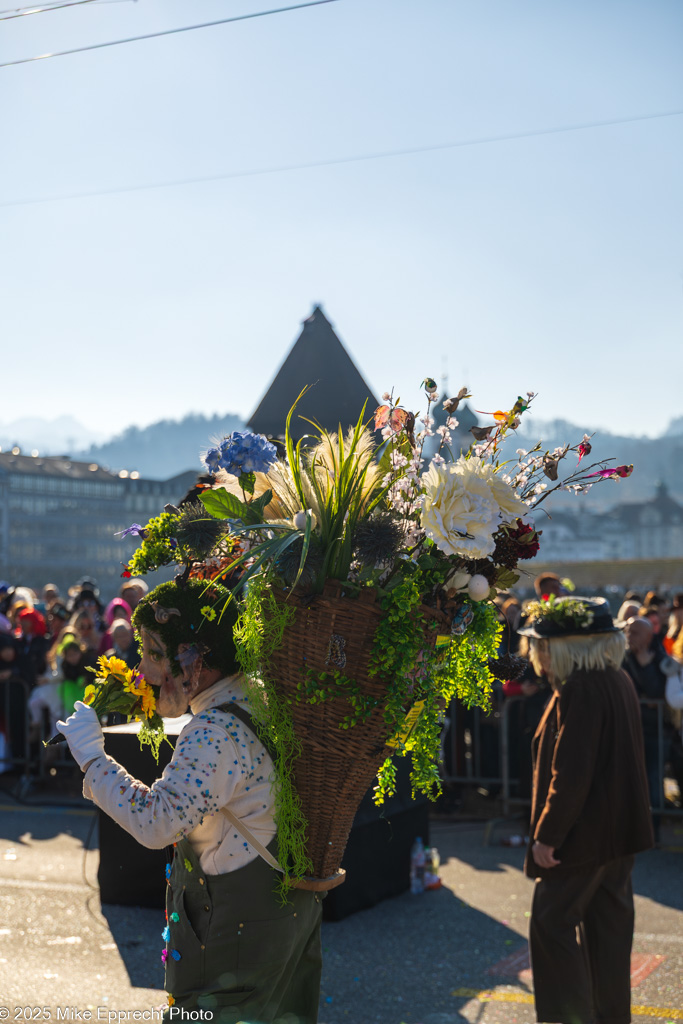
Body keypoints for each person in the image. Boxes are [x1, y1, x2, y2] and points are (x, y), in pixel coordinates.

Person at [56, 579, 323, 1023]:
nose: (142, 667)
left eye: (154, 653)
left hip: (236, 951)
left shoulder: (214, 731)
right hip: (276, 928)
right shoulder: (256, 695)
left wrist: (92, 760)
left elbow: (158, 823)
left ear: (196, 660)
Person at [519, 596, 653, 1024]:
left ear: (567, 648)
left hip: (584, 837)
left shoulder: (580, 689)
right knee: (608, 933)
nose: (536, 652)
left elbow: (571, 774)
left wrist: (547, 836)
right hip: (617, 836)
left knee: (551, 923)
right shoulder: (616, 679)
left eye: (543, 644)